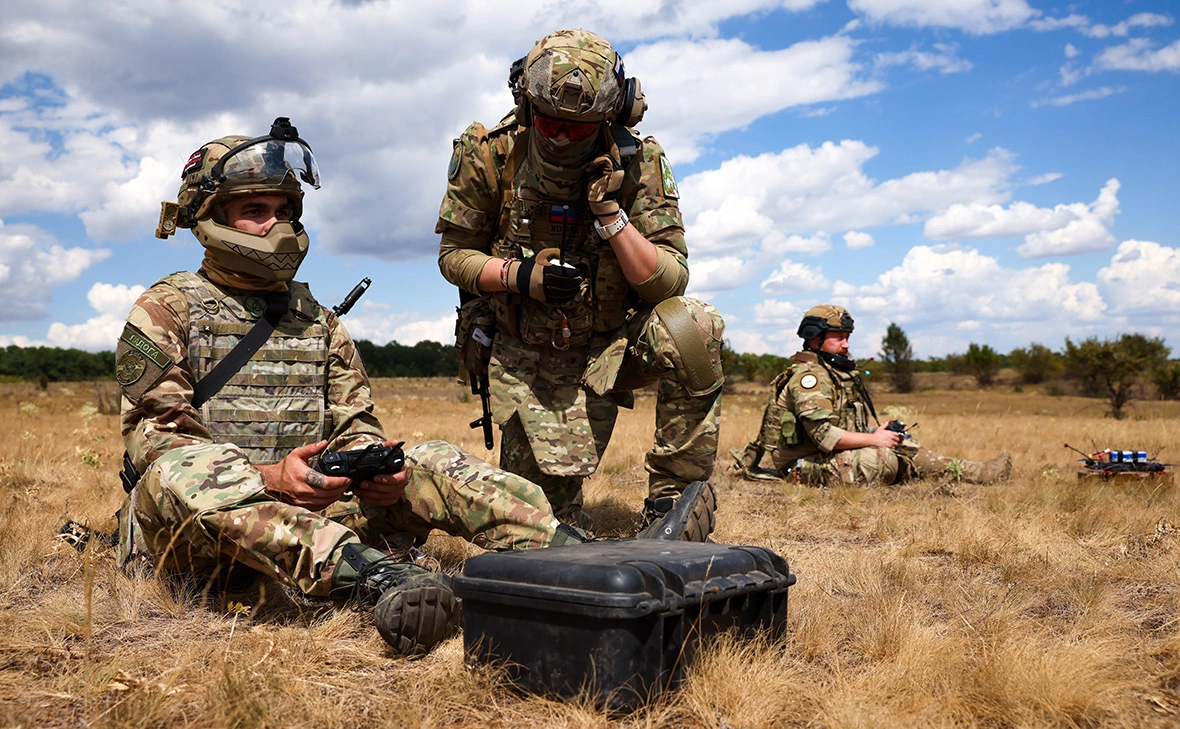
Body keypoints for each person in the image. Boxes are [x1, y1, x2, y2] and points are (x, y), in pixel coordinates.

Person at [114, 118, 594, 657]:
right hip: (194, 537)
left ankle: (580, 558)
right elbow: (160, 442)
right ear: (207, 217)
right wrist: (271, 476)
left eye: (285, 211)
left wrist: (372, 470)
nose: (277, 225)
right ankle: (376, 581)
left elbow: (355, 424)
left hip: (313, 512)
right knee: (183, 470)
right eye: (255, 211)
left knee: (428, 460)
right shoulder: (165, 310)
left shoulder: (316, 319)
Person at [436, 29, 724, 536]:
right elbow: (454, 255)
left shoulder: (641, 163)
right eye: (549, 122)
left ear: (612, 116)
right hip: (526, 350)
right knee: (541, 527)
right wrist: (520, 277)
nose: (562, 136)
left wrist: (610, 216)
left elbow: (670, 280)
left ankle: (673, 507)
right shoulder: (489, 153)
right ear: (525, 104)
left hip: (609, 345)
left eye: (580, 127)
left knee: (692, 327)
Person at [731, 305, 1012, 487]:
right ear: (816, 339)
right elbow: (824, 436)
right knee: (884, 458)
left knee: (901, 443)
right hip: (802, 463)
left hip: (826, 455)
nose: (846, 344)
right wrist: (874, 440)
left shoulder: (833, 373)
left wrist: (876, 432)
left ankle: (977, 473)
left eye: (847, 336)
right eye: (838, 337)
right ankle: (949, 473)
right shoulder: (811, 378)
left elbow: (842, 427)